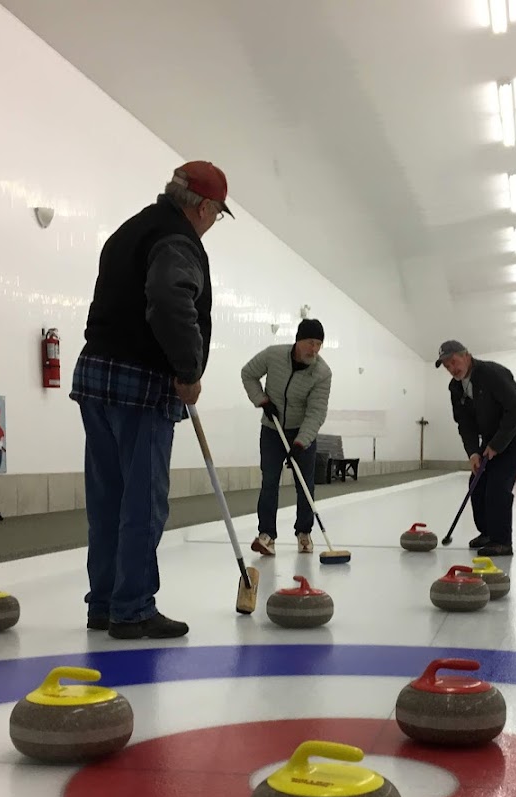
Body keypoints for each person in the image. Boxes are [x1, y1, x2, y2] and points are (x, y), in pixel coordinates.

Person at [69, 161, 232, 639]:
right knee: (143, 503)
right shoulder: (177, 240)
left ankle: (104, 604)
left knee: (108, 501)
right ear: (204, 207)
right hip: (139, 386)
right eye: (217, 214)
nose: (213, 223)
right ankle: (133, 608)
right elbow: (168, 298)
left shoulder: (129, 230)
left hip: (96, 378)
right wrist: (188, 370)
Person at [240, 318, 332, 555]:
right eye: (310, 342)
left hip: (302, 431)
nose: (314, 349)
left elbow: (316, 412)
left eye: (319, 344)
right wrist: (262, 401)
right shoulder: (274, 355)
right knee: (270, 481)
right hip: (272, 429)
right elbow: (248, 374)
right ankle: (267, 535)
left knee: (304, 483)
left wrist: (301, 443)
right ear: (298, 340)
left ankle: (304, 532)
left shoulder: (322, 373)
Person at [436, 339, 516, 557]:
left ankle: (502, 541)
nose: (452, 368)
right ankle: (488, 533)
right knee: (477, 482)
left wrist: (497, 445)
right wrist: (473, 452)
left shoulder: (493, 374)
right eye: (447, 366)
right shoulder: (455, 387)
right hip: (491, 434)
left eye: (454, 361)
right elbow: (464, 424)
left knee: (498, 483)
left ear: (466, 355)